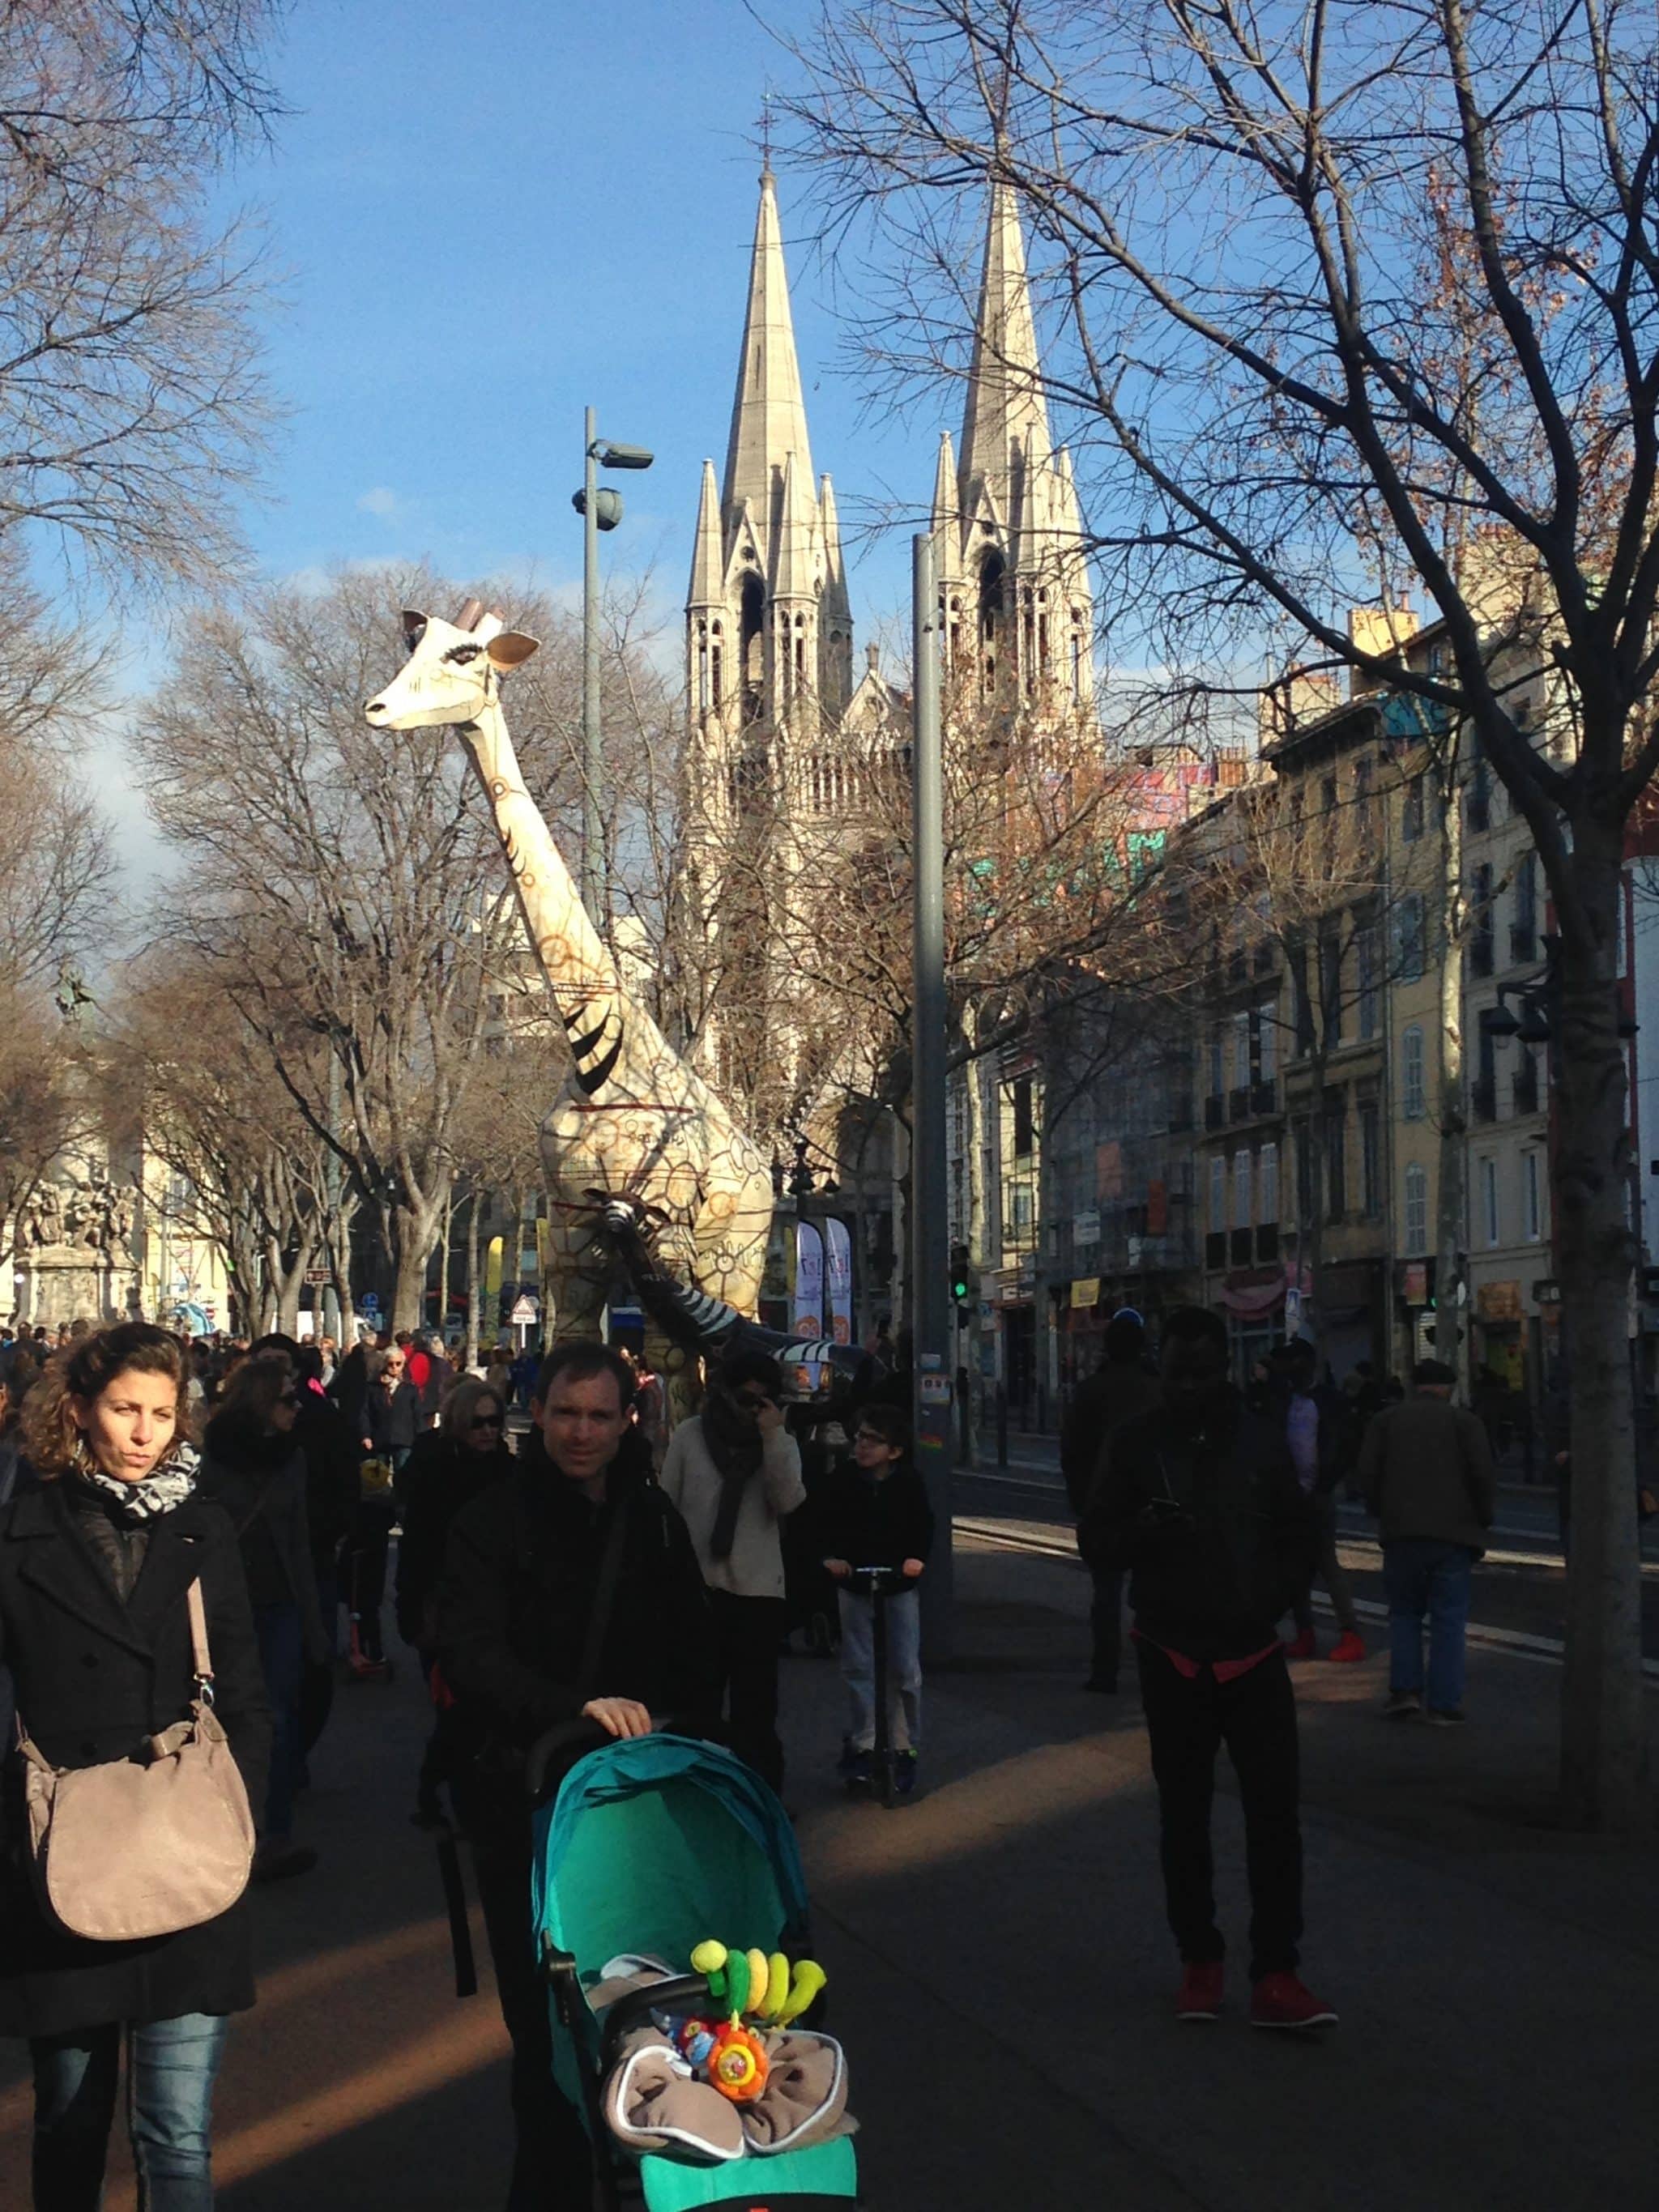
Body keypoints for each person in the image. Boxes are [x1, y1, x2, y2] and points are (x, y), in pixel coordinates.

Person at [436, 1341, 717, 2211]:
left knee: (654, 2017)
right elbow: (469, 1651)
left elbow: (694, 1652)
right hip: (525, 1803)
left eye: (599, 1415)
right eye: (566, 1413)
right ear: (539, 1413)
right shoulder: (490, 1520)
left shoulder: (653, 1517)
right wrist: (573, 1707)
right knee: (547, 2037)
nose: (581, 1432)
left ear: (626, 1419)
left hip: (637, 1806)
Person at [0, 1323, 271, 2210]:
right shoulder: (19, 1528)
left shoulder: (204, 1527)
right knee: (69, 2127)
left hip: (188, 1857)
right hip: (65, 1861)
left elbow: (244, 1693)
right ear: (79, 1410)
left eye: (162, 1412)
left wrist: (243, 1823)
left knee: (177, 2137)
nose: (146, 1431)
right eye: (125, 1409)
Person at [1081, 1305, 1334, 2030]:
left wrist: (1276, 1597)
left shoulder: (1256, 1438)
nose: (1188, 1385)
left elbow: (1299, 1525)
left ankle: (1277, 1970)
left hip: (1251, 1647)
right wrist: (1141, 1534)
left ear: (1223, 1366)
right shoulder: (1138, 1442)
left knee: (1274, 1817)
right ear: (1161, 1364)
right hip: (1174, 1650)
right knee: (1184, 1817)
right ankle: (1201, 1960)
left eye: (1201, 1370)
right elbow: (1096, 1537)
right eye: (1177, 1370)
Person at [198, 1352, 327, 1882]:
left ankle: (272, 1832)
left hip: (282, 1602)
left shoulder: (293, 1457)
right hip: (227, 1601)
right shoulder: (215, 1454)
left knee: (278, 1714)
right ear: (261, 1402)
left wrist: (314, 1620)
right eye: (288, 1399)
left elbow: (300, 1541)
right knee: (225, 1712)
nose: (298, 1408)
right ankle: (220, 1824)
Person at [659, 1352, 805, 1794]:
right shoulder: (690, 1436)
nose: (754, 1407)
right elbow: (667, 1506)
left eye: (765, 1399)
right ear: (725, 1392)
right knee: (696, 1704)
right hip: (699, 1590)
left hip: (758, 1593)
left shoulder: (778, 1443)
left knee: (755, 1710)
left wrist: (774, 1437)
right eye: (746, 1397)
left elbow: (788, 1502)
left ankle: (759, 1796)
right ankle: (694, 1792)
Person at [394, 1376, 517, 1826]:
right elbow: (417, 1551)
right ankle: (451, 1795)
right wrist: (414, 1612)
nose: (488, 1431)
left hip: (495, 1609)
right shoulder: (433, 1470)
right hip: (442, 1611)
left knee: (476, 1709)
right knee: (459, 1708)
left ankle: (445, 1789)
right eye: (478, 1422)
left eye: (495, 1422)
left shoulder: (508, 1472)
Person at [1358, 1357, 1495, 1724]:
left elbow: (1367, 1474)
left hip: (1401, 1532)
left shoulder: (1385, 1421)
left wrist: (1380, 1511)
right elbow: (1483, 1475)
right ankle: (1444, 1704)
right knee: (1449, 1620)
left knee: (1404, 1614)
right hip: (1454, 1534)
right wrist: (1484, 1519)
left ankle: (1405, 1691)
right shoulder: (1466, 1423)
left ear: (1412, 1386)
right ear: (1448, 1389)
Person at [819, 1401, 934, 1793]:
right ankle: (864, 1743)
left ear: (895, 1451)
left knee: (904, 1668)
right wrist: (833, 1558)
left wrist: (915, 1559)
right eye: (861, 1437)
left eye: (873, 1440)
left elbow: (923, 1527)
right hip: (855, 1583)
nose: (862, 1446)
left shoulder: (909, 1483)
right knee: (858, 1665)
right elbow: (827, 1522)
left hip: (897, 1585)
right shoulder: (844, 1480)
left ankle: (904, 1747)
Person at [1060, 1308, 1160, 1692]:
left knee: (1106, 1594)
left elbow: (1071, 1450)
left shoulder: (1091, 1391)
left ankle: (1105, 1670)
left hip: (1105, 1505)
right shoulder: (1157, 1389)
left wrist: (1082, 1501)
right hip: (1154, 1501)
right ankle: (1157, 1665)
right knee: (1155, 1592)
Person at [1273, 1342, 1366, 1664]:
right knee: (1294, 1568)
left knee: (1326, 1563)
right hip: (1289, 1496)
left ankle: (1350, 1632)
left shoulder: (1329, 1401)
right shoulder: (1281, 1400)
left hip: (1318, 1495)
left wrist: (1326, 1483)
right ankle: (1305, 1632)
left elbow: (1347, 1444)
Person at [346, 1345, 420, 1672]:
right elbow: (364, 1413)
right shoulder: (373, 1389)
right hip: (379, 1440)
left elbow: (417, 1415)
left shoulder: (409, 1389)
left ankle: (399, 1510)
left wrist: (419, 1437)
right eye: (390, 1364)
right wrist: (365, 1435)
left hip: (403, 1439)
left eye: (398, 1364)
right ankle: (381, 1505)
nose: (394, 1368)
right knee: (376, 1479)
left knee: (402, 1478)